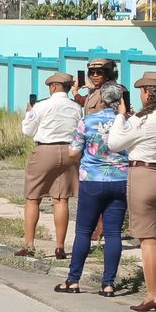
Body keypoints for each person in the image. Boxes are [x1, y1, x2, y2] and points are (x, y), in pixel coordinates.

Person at [109, 73, 156, 312]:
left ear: (148, 93)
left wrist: (121, 116)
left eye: (143, 91)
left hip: (145, 176)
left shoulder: (142, 119)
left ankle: (153, 294)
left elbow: (114, 143)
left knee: (148, 239)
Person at [57, 82, 131, 297]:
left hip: (92, 179)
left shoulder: (87, 121)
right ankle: (108, 284)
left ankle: (73, 280)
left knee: (83, 231)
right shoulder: (128, 123)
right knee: (113, 233)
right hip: (120, 179)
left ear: (101, 100)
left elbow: (73, 152)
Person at [18, 73, 82, 259]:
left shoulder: (42, 105)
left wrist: (29, 113)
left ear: (53, 87)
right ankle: (60, 247)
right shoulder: (76, 107)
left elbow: (27, 131)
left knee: (33, 197)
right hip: (70, 151)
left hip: (46, 150)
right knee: (61, 199)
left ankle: (29, 244)